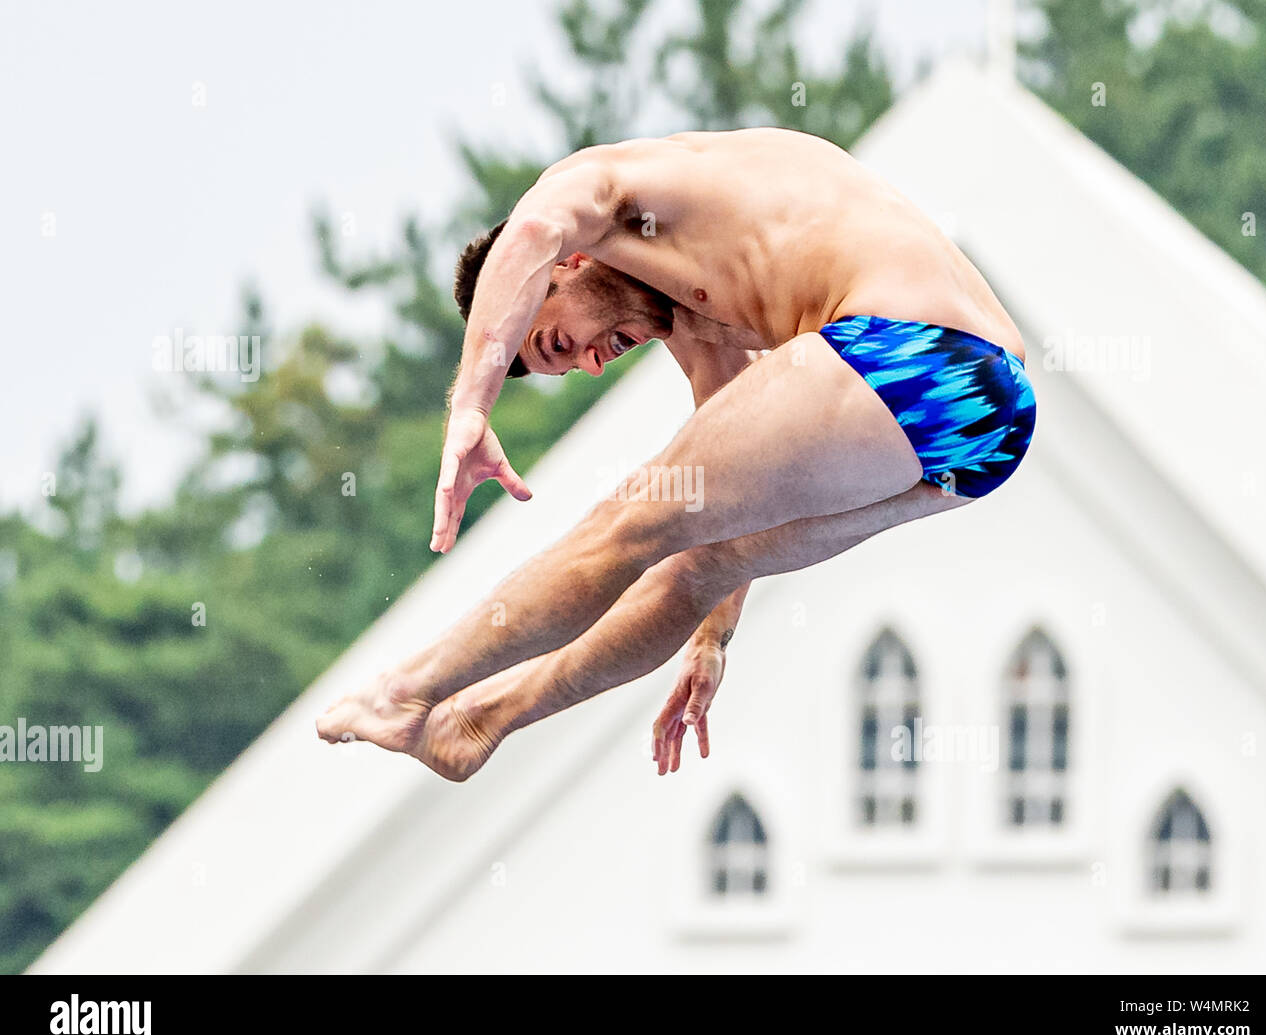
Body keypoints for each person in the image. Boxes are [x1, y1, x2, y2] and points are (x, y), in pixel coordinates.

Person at [316, 127, 1036, 780]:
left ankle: (405, 692)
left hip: (922, 349)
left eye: (561, 342)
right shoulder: (703, 333)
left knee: (625, 524)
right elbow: (726, 518)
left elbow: (532, 225)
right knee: (694, 565)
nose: (594, 364)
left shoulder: (609, 186)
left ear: (563, 266)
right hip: (985, 433)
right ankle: (480, 719)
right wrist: (713, 638)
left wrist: (471, 406)